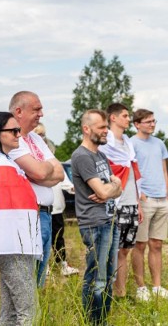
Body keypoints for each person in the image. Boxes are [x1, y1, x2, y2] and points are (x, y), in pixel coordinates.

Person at [0, 112, 41, 326]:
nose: (18, 135)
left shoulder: (2, 161)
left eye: (19, 130)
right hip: (12, 242)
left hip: (13, 242)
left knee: (12, 310)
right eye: (13, 131)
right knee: (28, 310)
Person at [8, 91, 65, 288]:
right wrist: (44, 170)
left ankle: (35, 316)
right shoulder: (11, 140)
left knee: (39, 278)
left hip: (46, 214)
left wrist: (41, 170)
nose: (41, 114)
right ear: (19, 111)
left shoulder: (36, 139)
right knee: (27, 280)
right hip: (28, 216)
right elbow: (42, 173)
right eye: (36, 109)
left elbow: (60, 173)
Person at [71, 109, 122, 325]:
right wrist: (112, 187)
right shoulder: (81, 156)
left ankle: (103, 321)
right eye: (101, 127)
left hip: (109, 220)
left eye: (106, 127)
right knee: (96, 279)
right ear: (86, 128)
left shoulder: (100, 155)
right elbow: (102, 192)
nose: (106, 131)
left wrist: (112, 187)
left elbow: (116, 189)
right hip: (95, 224)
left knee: (109, 278)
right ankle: (93, 322)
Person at [97, 103, 142, 299]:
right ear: (113, 118)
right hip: (116, 204)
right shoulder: (105, 145)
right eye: (124, 115)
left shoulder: (128, 143)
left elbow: (133, 174)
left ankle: (120, 292)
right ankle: (104, 291)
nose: (128, 119)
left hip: (132, 202)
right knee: (110, 250)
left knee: (125, 250)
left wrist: (139, 203)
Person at [130, 108, 168, 300]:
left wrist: (167, 191)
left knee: (157, 244)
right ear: (137, 124)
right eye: (148, 121)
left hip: (162, 199)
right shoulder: (131, 143)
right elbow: (130, 171)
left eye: (154, 121)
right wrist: (139, 196)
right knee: (140, 244)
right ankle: (141, 287)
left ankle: (157, 287)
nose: (152, 124)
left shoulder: (160, 143)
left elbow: (163, 169)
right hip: (144, 200)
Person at [33, 123, 79, 277]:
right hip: (40, 208)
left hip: (57, 208)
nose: (41, 139)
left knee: (58, 238)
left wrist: (77, 189)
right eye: (37, 135)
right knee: (41, 238)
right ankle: (42, 266)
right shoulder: (31, 164)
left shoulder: (55, 163)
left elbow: (66, 183)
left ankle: (62, 264)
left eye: (43, 136)